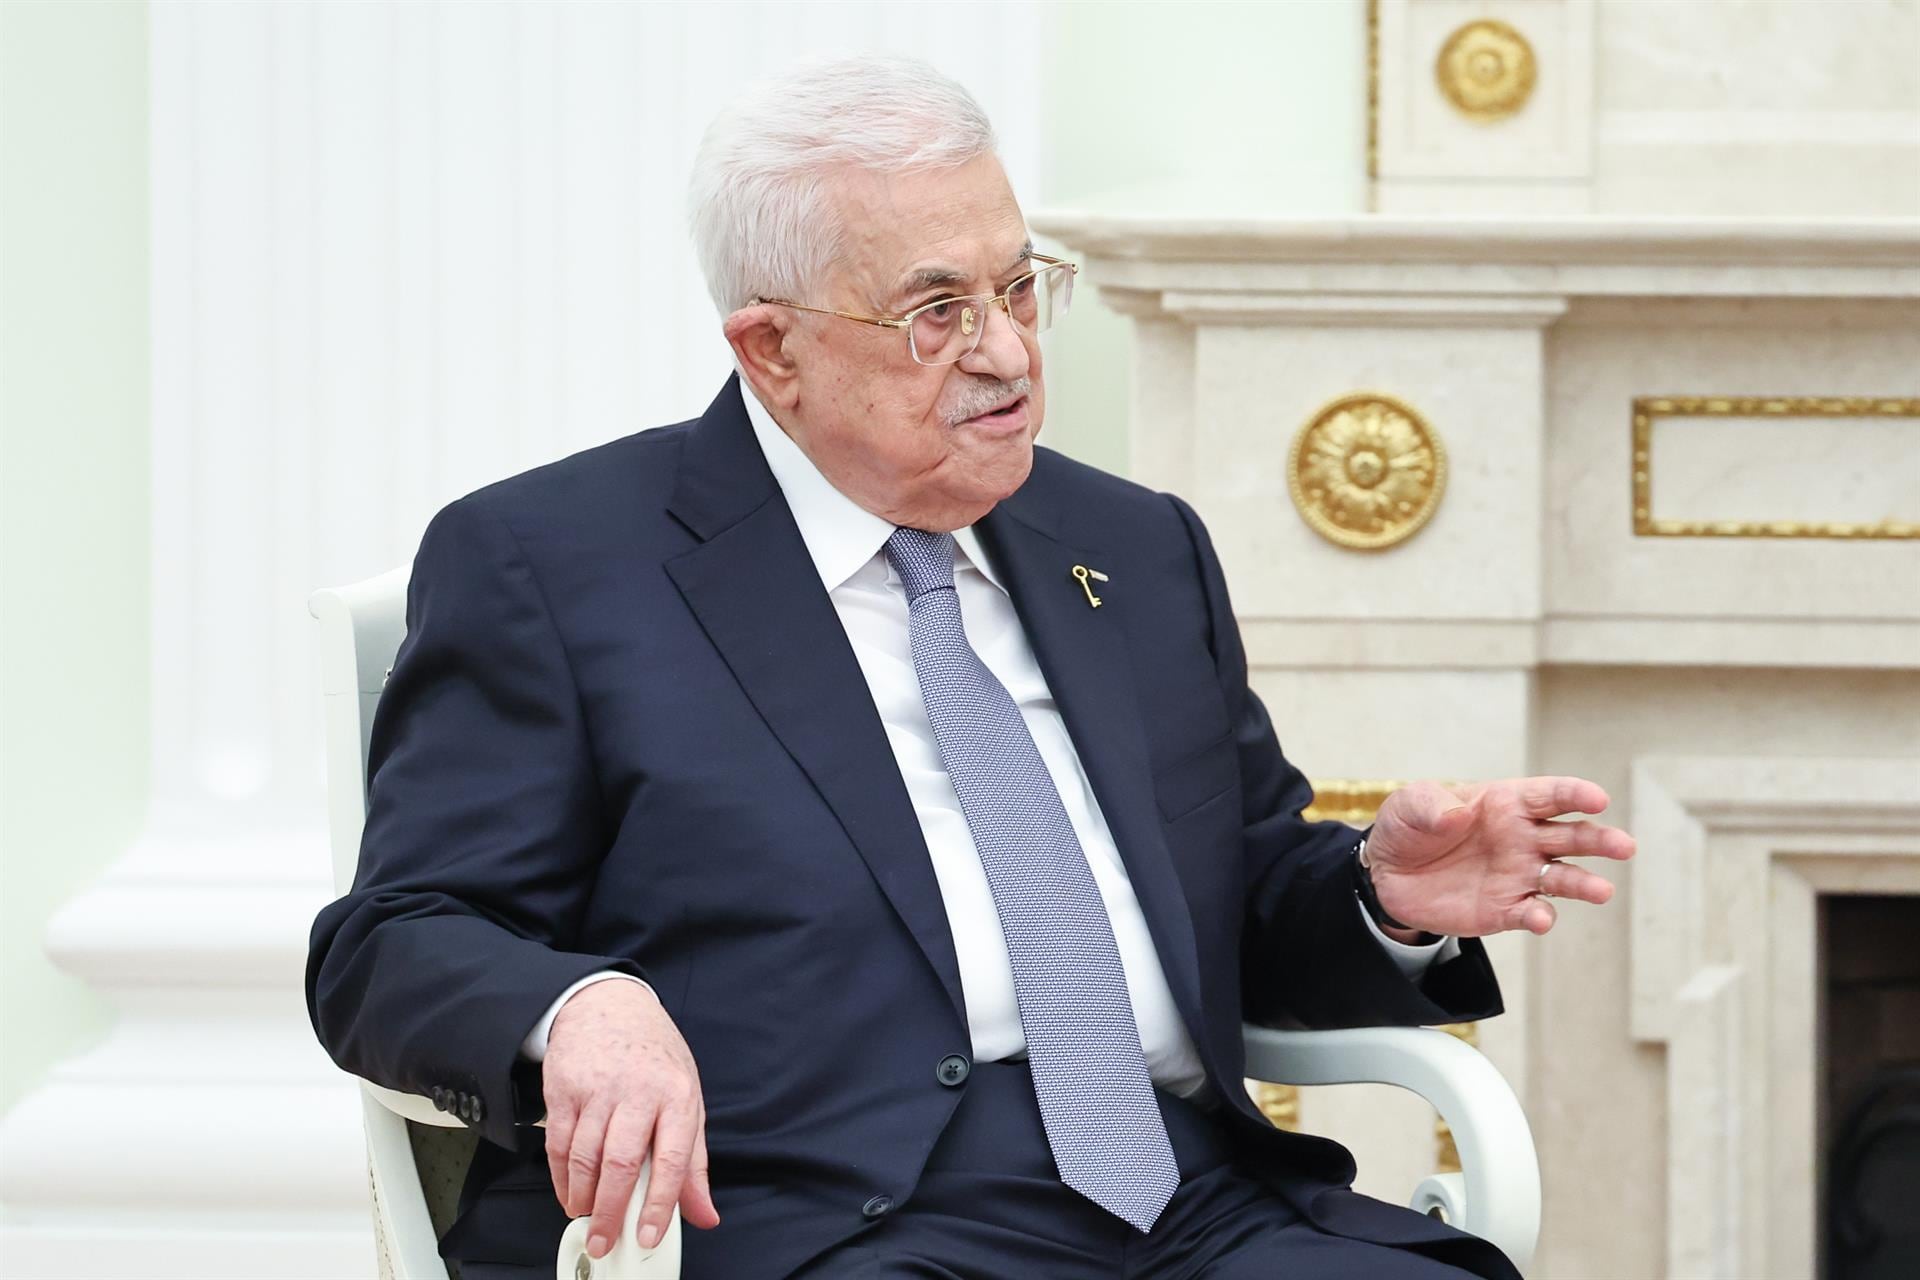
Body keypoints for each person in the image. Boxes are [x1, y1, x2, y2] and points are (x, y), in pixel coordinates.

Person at [306, 54, 1635, 1280]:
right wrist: (578, 1005)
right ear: (774, 350)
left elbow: (1239, 898)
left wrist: (1382, 902)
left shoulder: (1134, 544)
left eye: (1017, 286)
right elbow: (394, 941)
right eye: (936, 311)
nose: (1007, 351)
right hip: (814, 1222)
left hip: (1188, 1207)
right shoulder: (554, 566)